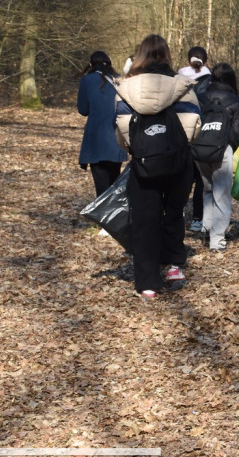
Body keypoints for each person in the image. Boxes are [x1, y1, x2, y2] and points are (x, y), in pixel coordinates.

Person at [114, 34, 201, 300]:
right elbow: (194, 122)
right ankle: (174, 265)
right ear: (166, 55)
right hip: (178, 161)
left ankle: (148, 282)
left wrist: (137, 149)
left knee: (144, 221)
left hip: (143, 164)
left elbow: (121, 126)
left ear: (139, 55)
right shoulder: (183, 85)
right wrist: (177, 146)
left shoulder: (125, 88)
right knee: (173, 212)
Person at [195, 62, 239, 252]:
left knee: (208, 188)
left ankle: (206, 227)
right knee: (222, 193)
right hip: (221, 150)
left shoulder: (200, 98)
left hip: (199, 149)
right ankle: (216, 239)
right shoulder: (235, 102)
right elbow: (236, 132)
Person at [77, 51, 127, 205]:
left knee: (100, 180)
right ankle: (113, 216)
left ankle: (104, 219)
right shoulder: (120, 80)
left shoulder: (86, 80)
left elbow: (83, 109)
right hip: (116, 135)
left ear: (91, 65)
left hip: (95, 136)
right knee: (114, 178)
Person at [179, 46, 212, 234]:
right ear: (206, 61)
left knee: (181, 177)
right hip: (204, 134)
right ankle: (198, 219)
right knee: (201, 179)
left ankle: (178, 214)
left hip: (182, 135)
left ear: (187, 61)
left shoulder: (177, 80)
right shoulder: (212, 81)